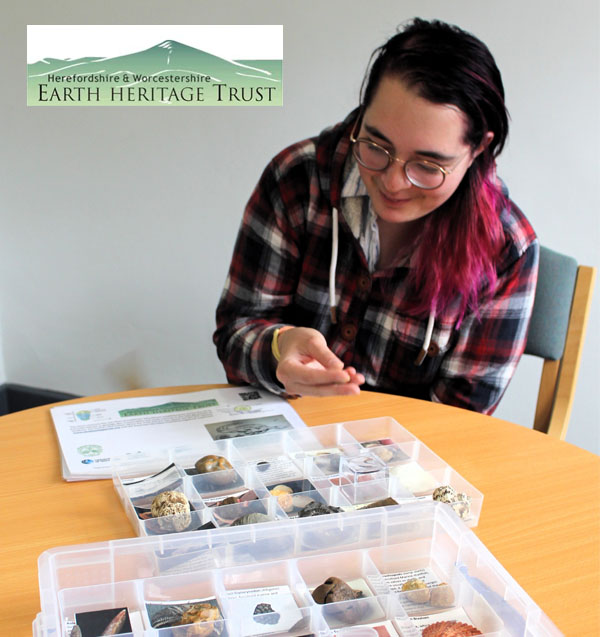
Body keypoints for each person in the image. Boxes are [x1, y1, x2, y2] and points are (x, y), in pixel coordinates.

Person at [213, 18, 538, 414]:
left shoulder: (505, 248)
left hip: (407, 459)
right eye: (375, 145)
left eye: (427, 165)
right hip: (282, 439)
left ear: (478, 150)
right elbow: (237, 331)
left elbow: (460, 418)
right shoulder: (299, 180)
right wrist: (278, 348)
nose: (394, 182)